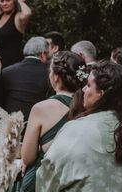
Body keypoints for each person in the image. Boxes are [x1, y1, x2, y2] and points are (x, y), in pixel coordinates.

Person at [37, 61, 122, 191]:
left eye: (88, 85)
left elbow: (48, 175)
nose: (83, 90)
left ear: (101, 93)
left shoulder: (75, 129)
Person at [16, 51, 85, 192]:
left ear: (56, 77)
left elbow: (28, 158)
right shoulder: (89, 107)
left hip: (47, 182)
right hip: (81, 177)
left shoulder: (41, 109)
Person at [1, 36, 51, 121]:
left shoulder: (7, 71)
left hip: (9, 123)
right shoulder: (49, 74)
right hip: (37, 121)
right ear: (43, 54)